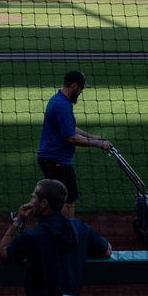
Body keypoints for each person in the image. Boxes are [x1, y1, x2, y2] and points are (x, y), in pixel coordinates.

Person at [0, 179, 112, 296]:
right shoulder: (81, 228)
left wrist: (18, 220)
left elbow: (3, 253)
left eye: (34, 197)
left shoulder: (32, 236)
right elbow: (107, 250)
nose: (31, 201)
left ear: (44, 203)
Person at [37, 70, 110, 219]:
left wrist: (91, 136)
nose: (82, 92)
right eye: (82, 88)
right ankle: (67, 232)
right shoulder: (62, 105)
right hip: (56, 160)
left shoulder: (58, 99)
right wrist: (97, 144)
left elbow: (68, 128)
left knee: (53, 198)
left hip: (51, 158)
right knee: (68, 200)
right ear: (75, 86)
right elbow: (70, 138)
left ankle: (31, 216)